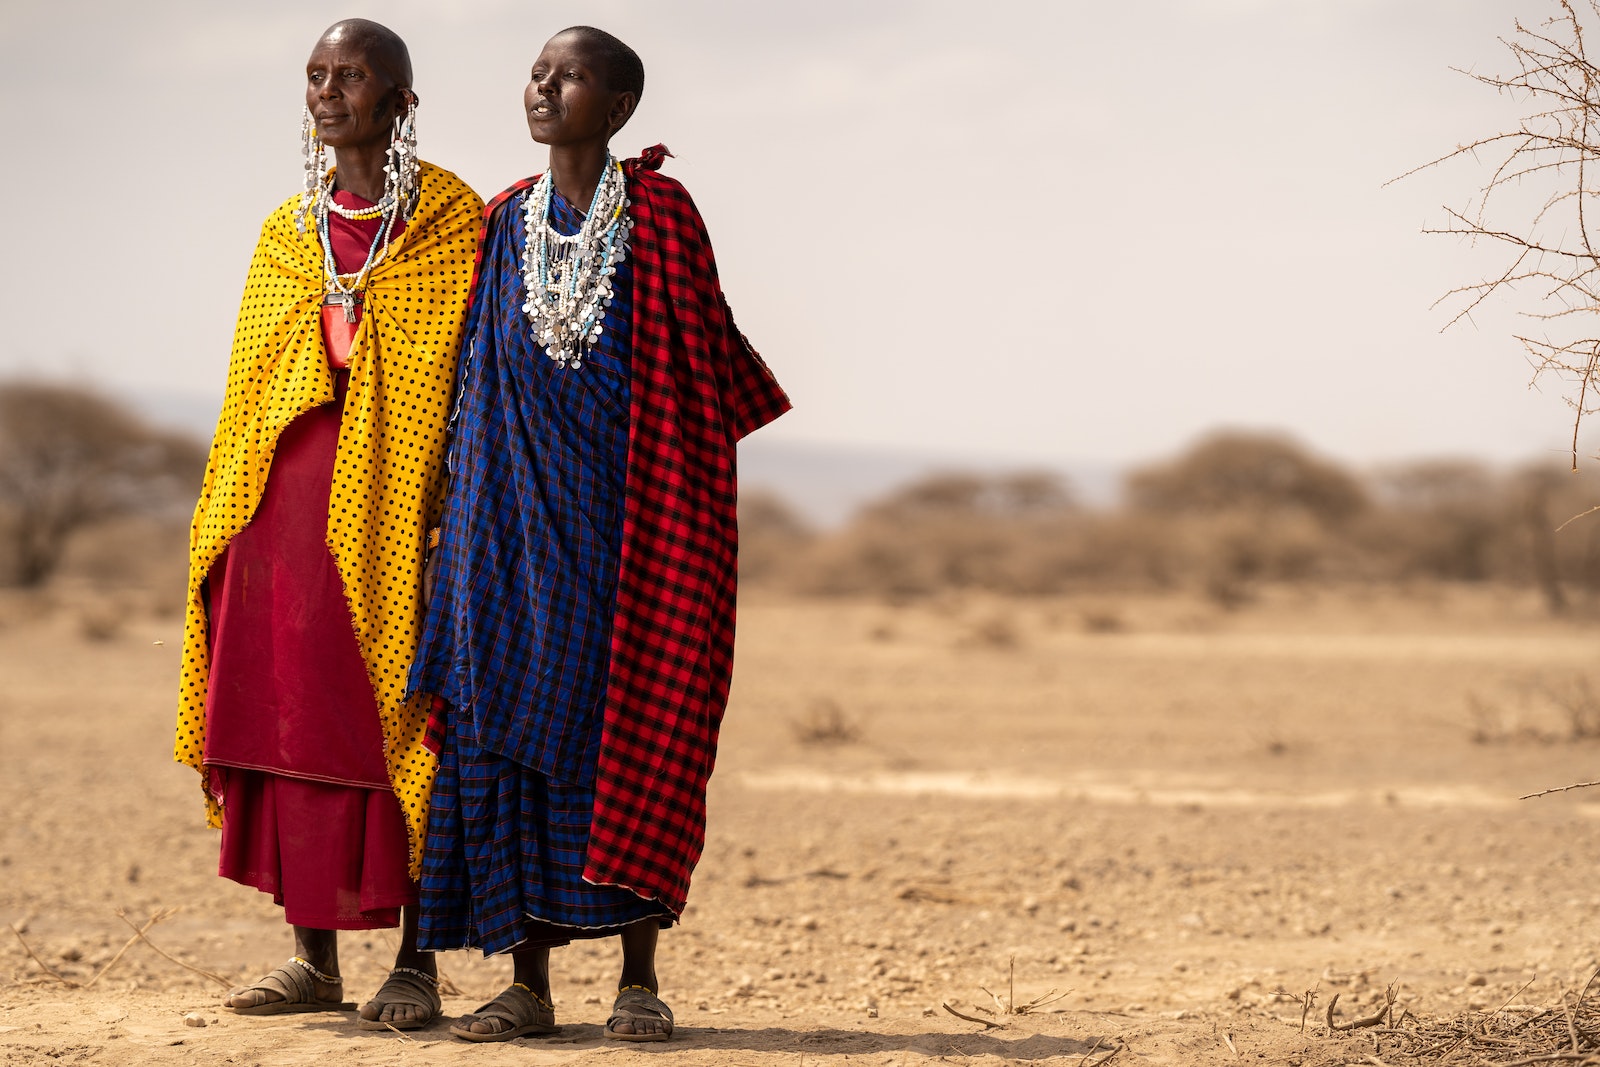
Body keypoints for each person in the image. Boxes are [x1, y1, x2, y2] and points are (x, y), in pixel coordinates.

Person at [410, 25, 790, 1043]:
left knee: (626, 729)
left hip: (629, 529)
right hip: (504, 533)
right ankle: (523, 979)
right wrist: (454, 514)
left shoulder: (662, 216)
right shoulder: (500, 220)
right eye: (537, 71)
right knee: (502, 739)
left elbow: (699, 363)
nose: (542, 86)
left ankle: (637, 976)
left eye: (567, 75)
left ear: (616, 107)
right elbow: (473, 377)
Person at [173, 18, 483, 1031]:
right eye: (316, 75)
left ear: (400, 98)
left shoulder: (450, 218)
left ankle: (417, 963)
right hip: (281, 510)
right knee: (285, 719)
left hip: (399, 508)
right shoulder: (285, 228)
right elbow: (254, 380)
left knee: (394, 720)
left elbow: (467, 377)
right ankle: (312, 959)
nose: (329, 90)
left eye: (353, 75)